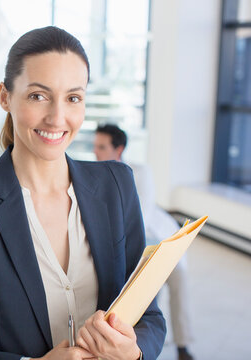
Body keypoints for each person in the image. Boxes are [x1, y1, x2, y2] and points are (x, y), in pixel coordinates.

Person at [0, 26, 166, 360]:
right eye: (38, 96)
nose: (57, 118)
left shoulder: (116, 186)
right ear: (5, 96)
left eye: (73, 98)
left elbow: (148, 314)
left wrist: (134, 352)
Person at [93, 124, 194, 360]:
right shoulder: (94, 175)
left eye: (101, 147)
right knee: (144, 297)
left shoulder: (139, 172)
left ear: (119, 149)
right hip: (129, 247)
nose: (96, 152)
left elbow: (142, 215)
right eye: (95, 146)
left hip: (159, 239)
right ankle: (137, 346)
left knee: (179, 280)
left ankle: (183, 346)